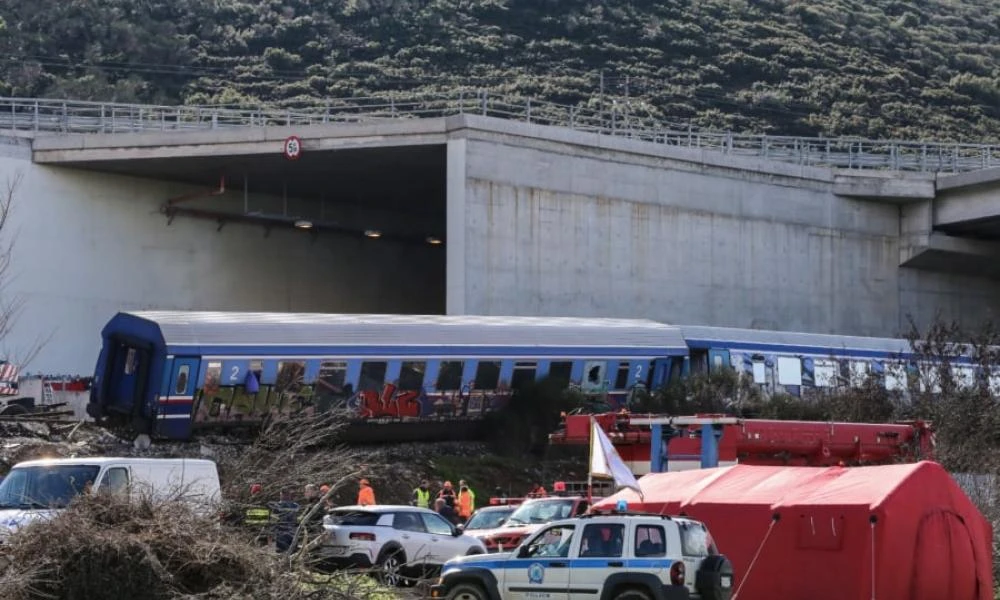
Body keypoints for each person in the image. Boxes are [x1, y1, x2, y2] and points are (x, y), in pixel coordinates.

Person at [271, 488, 300, 553]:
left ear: (282, 495)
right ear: (289, 495)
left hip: (281, 536)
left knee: (281, 554)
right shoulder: (296, 506)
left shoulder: (277, 506)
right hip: (293, 533)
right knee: (293, 553)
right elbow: (299, 520)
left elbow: (273, 521)